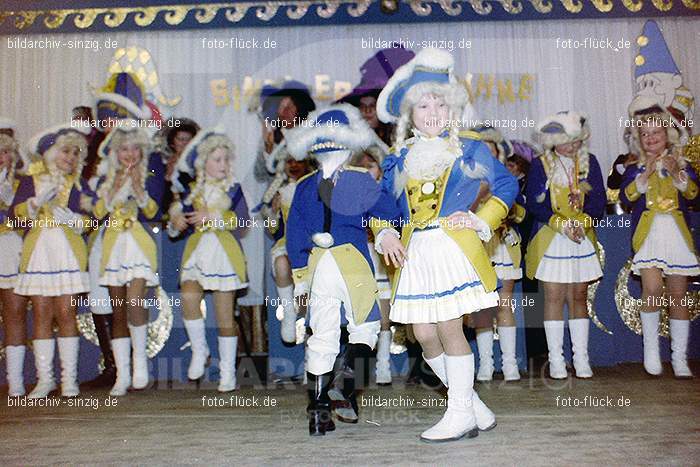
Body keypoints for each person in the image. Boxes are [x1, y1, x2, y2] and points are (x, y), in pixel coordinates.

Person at [376, 48, 517, 442]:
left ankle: (459, 415)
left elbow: (506, 185)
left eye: (440, 102)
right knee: (423, 334)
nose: (433, 111)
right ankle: (472, 404)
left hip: (451, 248)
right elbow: (383, 205)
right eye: (423, 103)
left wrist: (480, 219)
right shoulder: (398, 156)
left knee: (450, 329)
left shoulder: (469, 146)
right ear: (410, 113)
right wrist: (385, 232)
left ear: (453, 108)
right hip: (415, 253)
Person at [285, 104, 400, 436]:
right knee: (364, 327)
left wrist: (300, 274)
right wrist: (386, 228)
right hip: (350, 265)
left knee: (322, 334)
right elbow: (389, 211)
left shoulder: (305, 186)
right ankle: (344, 385)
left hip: (319, 266)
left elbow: (294, 233)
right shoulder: (359, 180)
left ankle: (320, 408)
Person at [10, 123, 93, 398]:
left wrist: (77, 220)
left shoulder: (79, 184)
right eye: (65, 151)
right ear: (50, 153)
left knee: (67, 313)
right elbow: (15, 218)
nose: (70, 157)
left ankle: (69, 380)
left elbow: (92, 219)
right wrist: (33, 205)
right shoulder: (29, 182)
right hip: (39, 252)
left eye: (75, 153)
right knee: (42, 313)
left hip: (67, 252)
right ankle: (45, 380)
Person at [620, 97, 699, 378]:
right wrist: (643, 178)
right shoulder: (635, 168)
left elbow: (693, 195)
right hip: (649, 235)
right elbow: (625, 198)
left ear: (667, 133)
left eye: (656, 132)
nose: (651, 138)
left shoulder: (682, 163)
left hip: (676, 235)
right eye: (645, 134)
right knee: (651, 289)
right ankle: (650, 353)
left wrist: (679, 174)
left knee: (679, 295)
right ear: (639, 140)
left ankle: (679, 359)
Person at [525, 111, 606, 380]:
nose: (572, 146)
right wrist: (561, 224)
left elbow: (598, 203)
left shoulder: (589, 162)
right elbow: (534, 203)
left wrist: (582, 222)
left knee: (579, 295)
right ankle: (556, 359)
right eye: (566, 140)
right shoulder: (540, 165)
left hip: (581, 236)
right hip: (552, 236)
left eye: (576, 140)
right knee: (553, 297)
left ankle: (581, 358)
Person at [168, 130, 250, 391]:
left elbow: (243, 221)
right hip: (197, 252)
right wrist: (176, 221)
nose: (223, 165)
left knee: (225, 316)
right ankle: (199, 350)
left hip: (224, 253)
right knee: (189, 296)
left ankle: (227, 372)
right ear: (203, 163)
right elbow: (177, 222)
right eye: (217, 159)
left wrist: (213, 216)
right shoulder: (192, 192)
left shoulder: (235, 189)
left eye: (226, 159)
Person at [91, 123, 164, 396]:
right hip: (112, 247)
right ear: (115, 152)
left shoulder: (150, 173)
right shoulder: (105, 178)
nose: (130, 154)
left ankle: (140, 364)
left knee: (135, 300)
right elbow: (97, 213)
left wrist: (139, 189)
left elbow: (154, 209)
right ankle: (123, 374)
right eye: (124, 149)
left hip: (139, 245)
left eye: (135, 148)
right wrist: (114, 189)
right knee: (118, 310)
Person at [469, 126, 528, 382]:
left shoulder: (507, 180)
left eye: (492, 152)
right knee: (482, 308)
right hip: (477, 246)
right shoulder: (467, 181)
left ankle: (510, 363)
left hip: (503, 245)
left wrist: (506, 209)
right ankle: (485, 364)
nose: (488, 158)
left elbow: (522, 213)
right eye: (483, 153)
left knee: (505, 305)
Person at [349, 146, 394, 385]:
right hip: (357, 258)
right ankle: (358, 369)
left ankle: (384, 365)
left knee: (384, 315)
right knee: (361, 317)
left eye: (371, 166)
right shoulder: (348, 194)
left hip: (381, 258)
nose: (366, 171)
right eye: (361, 167)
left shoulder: (384, 193)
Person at [0, 132, 29, 396]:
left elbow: (27, 223)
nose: (1, 158)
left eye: (6, 151)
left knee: (14, 315)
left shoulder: (24, 183)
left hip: (9, 247)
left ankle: (16, 382)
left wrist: (12, 203)